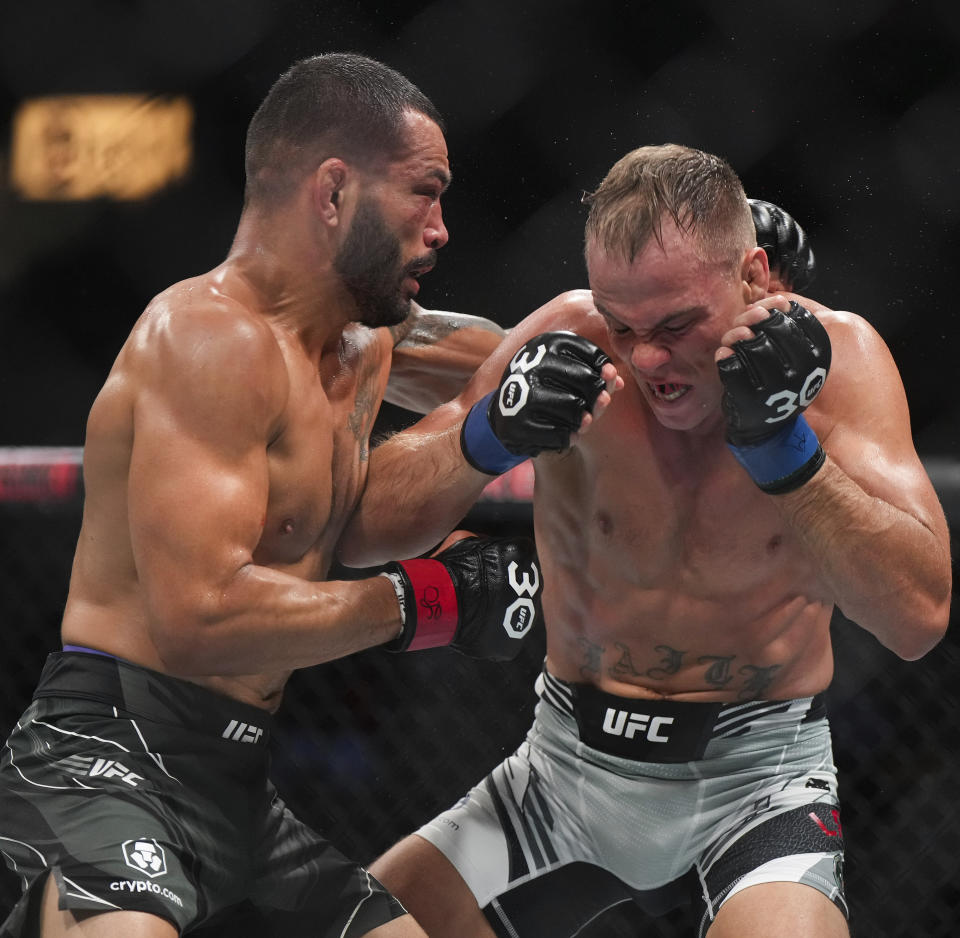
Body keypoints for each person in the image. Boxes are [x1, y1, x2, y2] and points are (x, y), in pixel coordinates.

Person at [0, 53, 614, 938]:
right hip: (107, 751)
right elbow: (197, 619)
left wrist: (677, 308)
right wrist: (423, 602)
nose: (442, 229)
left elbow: (514, 357)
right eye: (422, 192)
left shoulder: (360, 349)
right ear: (334, 193)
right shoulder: (205, 339)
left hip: (238, 782)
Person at [334, 143, 952, 937]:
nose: (649, 359)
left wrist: (789, 456)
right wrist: (484, 438)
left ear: (755, 276)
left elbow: (919, 616)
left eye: (678, 324)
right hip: (560, 776)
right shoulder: (571, 337)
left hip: (757, 782)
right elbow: (361, 535)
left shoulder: (838, 363)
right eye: (625, 324)